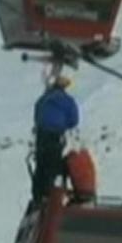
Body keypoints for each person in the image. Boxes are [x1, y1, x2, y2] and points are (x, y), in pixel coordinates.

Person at [31, 73, 79, 203]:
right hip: (55, 135)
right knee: (53, 165)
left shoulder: (43, 99)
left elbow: (36, 116)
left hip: (41, 137)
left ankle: (38, 195)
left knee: (41, 165)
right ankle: (51, 195)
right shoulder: (67, 101)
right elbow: (73, 120)